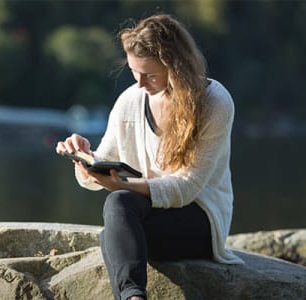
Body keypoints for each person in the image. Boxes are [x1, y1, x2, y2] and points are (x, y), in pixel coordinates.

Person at [56, 14, 244, 300]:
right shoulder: (130, 101)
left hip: (199, 219)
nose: (140, 83)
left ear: (177, 67)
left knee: (113, 233)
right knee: (117, 209)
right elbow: (103, 166)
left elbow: (187, 187)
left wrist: (124, 186)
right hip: (150, 213)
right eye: (134, 72)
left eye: (150, 74)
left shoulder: (214, 102)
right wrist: (84, 159)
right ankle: (134, 297)